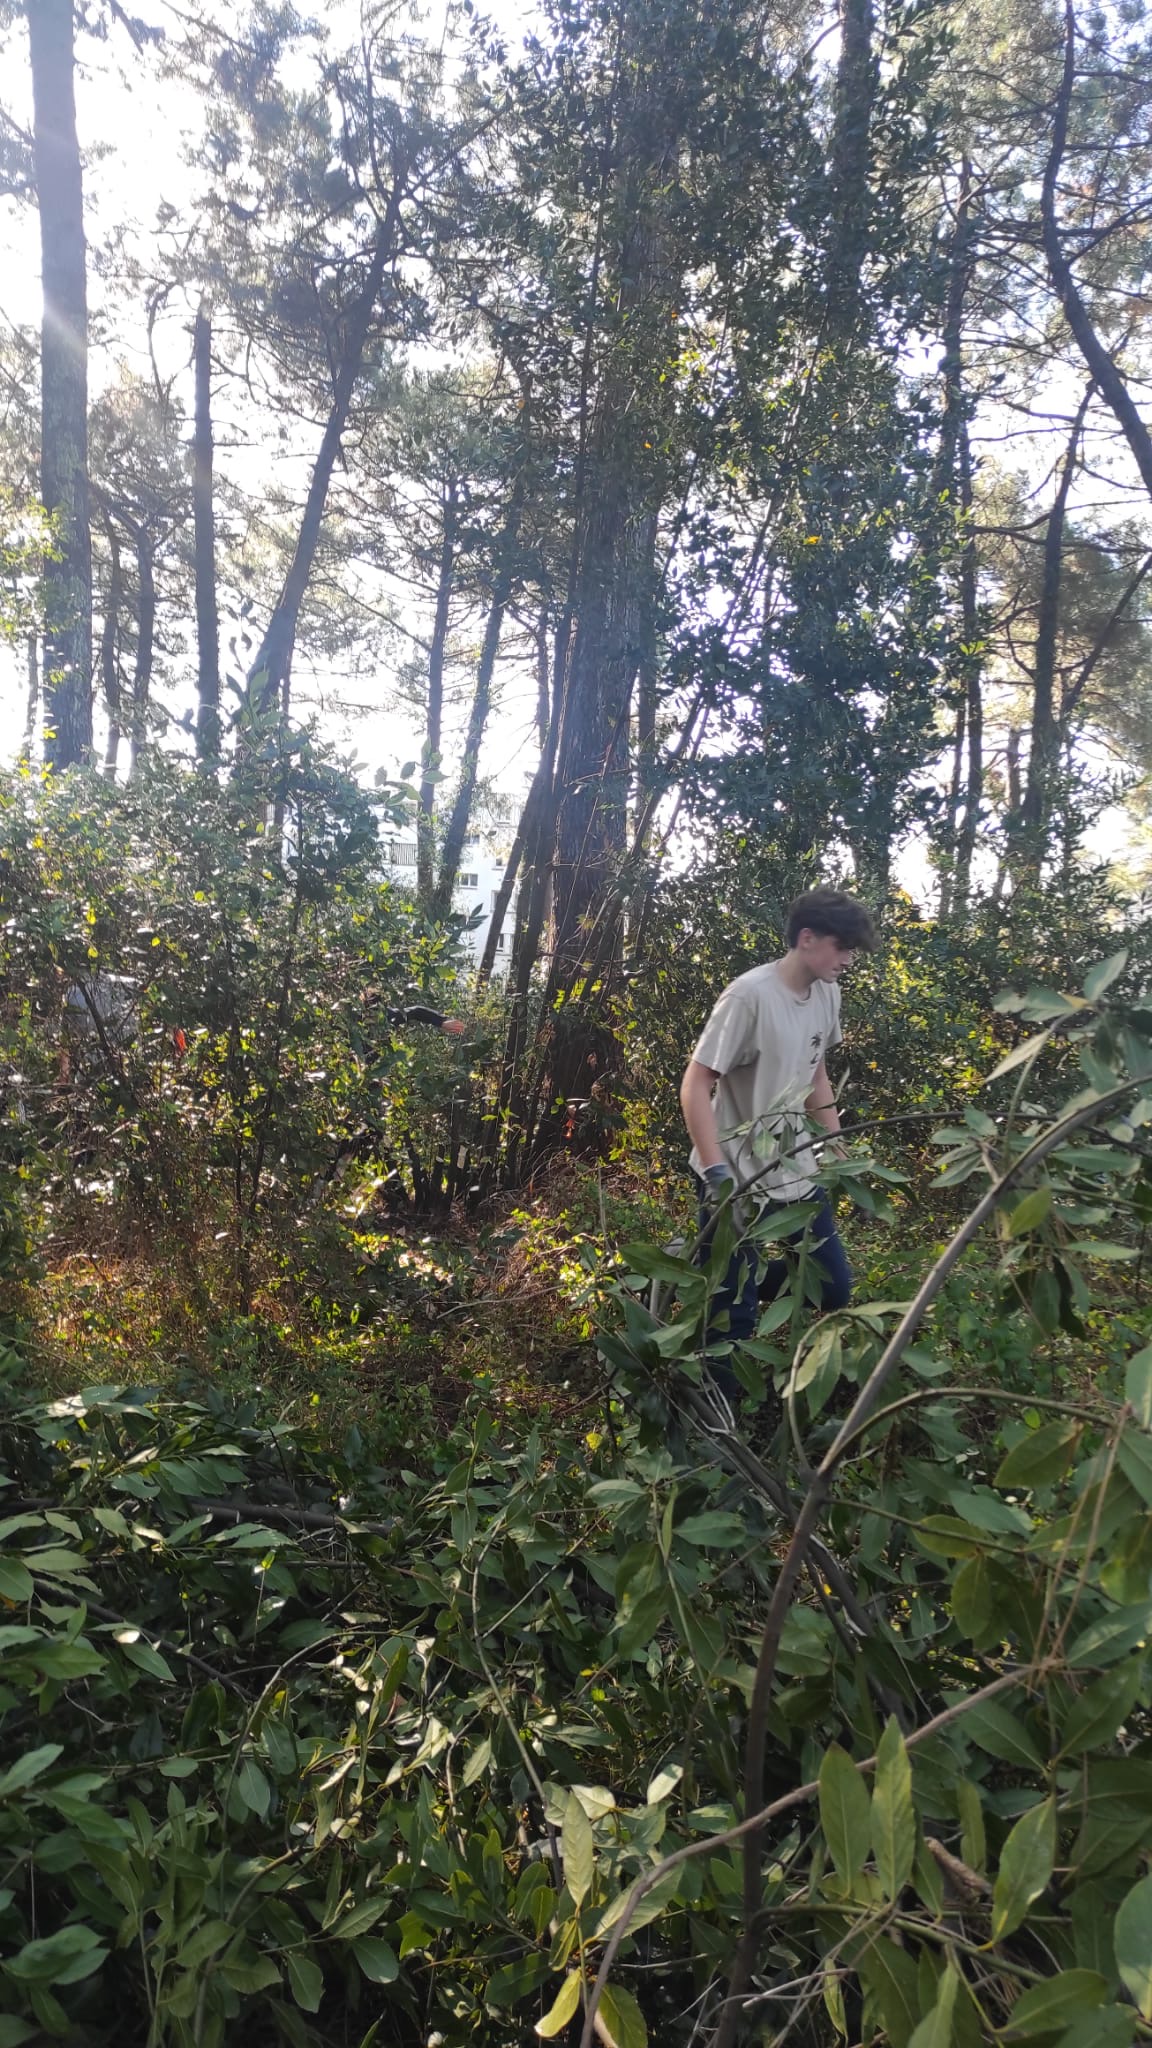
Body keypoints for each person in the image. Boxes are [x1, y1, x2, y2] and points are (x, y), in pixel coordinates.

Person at [679, 887, 877, 1397]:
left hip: (795, 1169)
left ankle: (718, 1274)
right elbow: (696, 1084)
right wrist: (716, 1169)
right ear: (806, 938)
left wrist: (836, 1146)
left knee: (833, 1288)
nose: (848, 960)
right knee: (733, 1318)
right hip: (736, 1179)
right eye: (843, 947)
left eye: (853, 950)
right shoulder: (749, 997)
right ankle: (722, 1429)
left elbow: (817, 1075)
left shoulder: (828, 992)